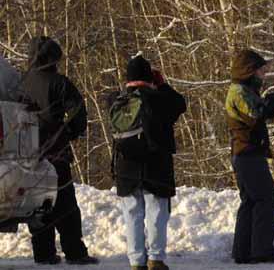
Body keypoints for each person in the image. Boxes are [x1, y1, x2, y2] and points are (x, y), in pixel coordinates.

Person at [19, 36, 98, 265]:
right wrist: (71, 132)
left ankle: (43, 253)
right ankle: (75, 252)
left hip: (28, 154)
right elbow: (77, 112)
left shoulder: (21, 82)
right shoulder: (60, 83)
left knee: (38, 202)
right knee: (65, 202)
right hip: (55, 151)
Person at [114, 55, 187, 270]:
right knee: (156, 212)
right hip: (156, 164)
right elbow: (180, 104)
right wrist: (162, 84)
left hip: (126, 166)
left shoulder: (118, 101)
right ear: (149, 77)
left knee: (132, 214)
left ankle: (136, 261)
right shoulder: (158, 98)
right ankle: (156, 259)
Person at [226, 49, 274, 264]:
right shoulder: (238, 91)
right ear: (249, 71)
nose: (264, 74)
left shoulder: (245, 90)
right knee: (265, 199)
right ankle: (261, 250)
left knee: (251, 201)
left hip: (247, 152)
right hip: (247, 153)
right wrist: (270, 105)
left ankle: (244, 251)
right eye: (260, 70)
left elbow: (259, 111)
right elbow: (255, 113)